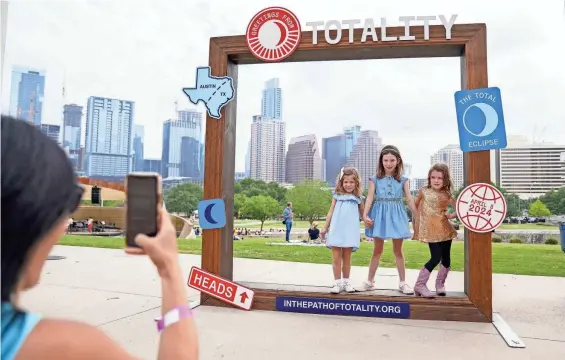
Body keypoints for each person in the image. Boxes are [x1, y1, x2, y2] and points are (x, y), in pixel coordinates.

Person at [0, 115, 198, 360]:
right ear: (26, 214)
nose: (63, 226)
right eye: (66, 205)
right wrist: (170, 268)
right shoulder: (65, 348)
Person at [360, 145, 417, 295]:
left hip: (397, 215)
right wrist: (365, 215)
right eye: (385, 160)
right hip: (379, 215)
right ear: (381, 161)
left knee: (398, 250)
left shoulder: (404, 180)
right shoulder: (374, 179)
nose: (389, 163)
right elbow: (370, 198)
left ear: (398, 161)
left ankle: (403, 283)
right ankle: (370, 281)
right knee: (377, 250)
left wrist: (417, 214)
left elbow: (409, 199)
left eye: (392, 160)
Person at [412, 163, 458, 298]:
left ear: (445, 180)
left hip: (444, 229)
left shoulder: (447, 194)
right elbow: (414, 207)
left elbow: (460, 206)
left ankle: (440, 285)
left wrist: (451, 215)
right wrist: (417, 225)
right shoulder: (424, 191)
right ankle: (420, 285)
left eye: (440, 178)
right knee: (435, 257)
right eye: (433, 177)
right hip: (430, 230)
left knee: (446, 258)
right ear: (429, 178)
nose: (436, 181)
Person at [321, 167, 365, 294]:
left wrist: (368, 222)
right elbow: (330, 212)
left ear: (356, 183)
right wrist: (325, 227)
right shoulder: (337, 196)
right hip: (336, 229)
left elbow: (363, 214)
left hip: (350, 231)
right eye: (345, 182)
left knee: (347, 258)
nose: (348, 184)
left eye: (351, 182)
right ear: (341, 182)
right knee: (336, 258)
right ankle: (337, 283)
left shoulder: (358, 198)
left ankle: (346, 282)